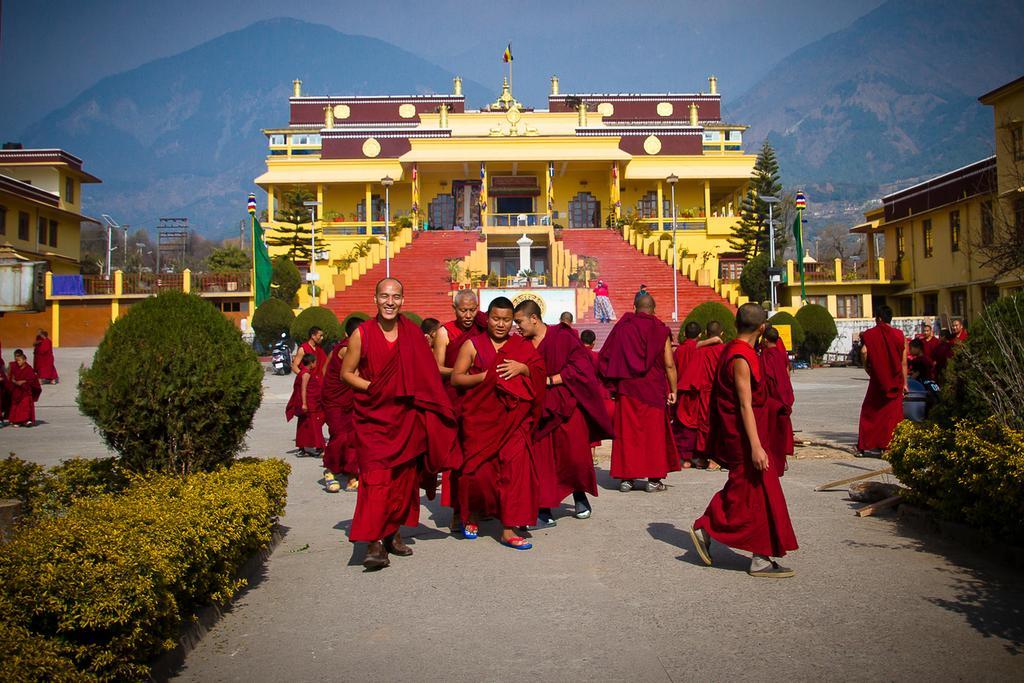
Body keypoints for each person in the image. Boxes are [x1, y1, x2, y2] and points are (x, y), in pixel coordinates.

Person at [342, 278, 460, 570]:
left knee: (402, 482)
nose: (390, 302)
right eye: (384, 296)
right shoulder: (362, 334)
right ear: (375, 299)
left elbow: (426, 375)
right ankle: (372, 543)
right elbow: (347, 373)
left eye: (395, 296)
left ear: (403, 300)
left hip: (406, 419)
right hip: (374, 420)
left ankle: (392, 533)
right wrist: (372, 389)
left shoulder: (413, 336)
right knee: (376, 480)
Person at [689, 303, 798, 578]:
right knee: (747, 489)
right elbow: (744, 405)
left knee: (754, 492)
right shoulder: (740, 357)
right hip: (745, 435)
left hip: (750, 432)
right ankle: (708, 526)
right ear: (762, 329)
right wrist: (757, 447)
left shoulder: (737, 350)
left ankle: (758, 555)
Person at [451, 297, 546, 549]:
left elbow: (539, 372)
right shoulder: (473, 344)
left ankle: (508, 527)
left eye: (506, 320)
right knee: (479, 474)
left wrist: (523, 369)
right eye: (496, 318)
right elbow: (457, 379)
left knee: (515, 472)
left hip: (514, 422)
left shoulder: (521, 346)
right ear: (488, 317)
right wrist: (486, 376)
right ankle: (472, 513)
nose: (501, 324)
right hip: (481, 420)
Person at [514, 300, 613, 526]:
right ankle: (544, 505)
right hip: (538, 408)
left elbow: (580, 369)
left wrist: (549, 380)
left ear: (534, 318)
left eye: (519, 321)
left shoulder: (563, 337)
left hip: (567, 404)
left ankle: (579, 495)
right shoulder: (522, 344)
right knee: (542, 459)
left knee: (575, 456)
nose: (516, 326)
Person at [599, 294, 679, 492]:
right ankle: (653, 480)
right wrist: (674, 390)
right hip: (652, 390)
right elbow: (669, 364)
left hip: (627, 390)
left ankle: (627, 479)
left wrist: (612, 385)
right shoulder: (660, 330)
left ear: (634, 307)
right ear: (654, 308)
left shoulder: (623, 327)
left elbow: (606, 356)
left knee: (629, 434)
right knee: (654, 436)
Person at [433, 289, 488, 523]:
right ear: (454, 309)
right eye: (463, 310)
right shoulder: (445, 332)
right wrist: (463, 372)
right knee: (458, 456)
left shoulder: (483, 328)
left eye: (472, 310)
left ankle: (482, 504)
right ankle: (458, 509)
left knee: (481, 453)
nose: (468, 315)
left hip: (480, 397)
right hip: (456, 397)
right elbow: (436, 367)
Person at [857, 305, 907, 456]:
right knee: (892, 416)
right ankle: (889, 446)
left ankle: (866, 445)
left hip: (878, 380)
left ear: (878, 318)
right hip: (896, 380)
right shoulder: (899, 335)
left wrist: (867, 368)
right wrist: (905, 383)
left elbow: (864, 351)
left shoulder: (870, 334)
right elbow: (903, 361)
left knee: (870, 413)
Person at [321, 316, 364, 493]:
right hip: (337, 401)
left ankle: (352, 477)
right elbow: (356, 374)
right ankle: (330, 470)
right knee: (340, 437)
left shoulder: (345, 348)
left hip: (349, 398)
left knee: (353, 437)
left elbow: (324, 369)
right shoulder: (346, 349)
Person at [761, 326, 795, 473]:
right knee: (783, 427)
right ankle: (783, 458)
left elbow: (766, 378)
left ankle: (777, 459)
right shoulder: (780, 354)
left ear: (765, 339)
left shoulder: (766, 356)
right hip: (784, 395)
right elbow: (786, 373)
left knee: (772, 431)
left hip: (772, 398)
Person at [691, 321, 726, 468]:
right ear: (722, 334)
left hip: (705, 393)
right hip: (722, 392)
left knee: (705, 424)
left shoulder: (700, 351)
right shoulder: (725, 350)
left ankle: (703, 457)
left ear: (705, 333)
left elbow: (687, 348)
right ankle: (718, 458)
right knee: (722, 424)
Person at [673, 322, 703, 467]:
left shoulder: (679, 351)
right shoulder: (700, 350)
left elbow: (673, 369)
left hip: (680, 391)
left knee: (681, 425)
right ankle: (692, 456)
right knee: (694, 424)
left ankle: (682, 456)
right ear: (700, 335)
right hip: (695, 392)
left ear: (684, 334)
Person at [285, 353, 325, 456]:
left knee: (304, 426)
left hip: (310, 403)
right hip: (310, 404)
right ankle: (319, 447)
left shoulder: (302, 373)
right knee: (315, 426)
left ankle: (303, 448)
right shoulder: (306, 374)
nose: (316, 364)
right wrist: (304, 403)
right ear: (311, 363)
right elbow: (303, 389)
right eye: (315, 362)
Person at [7, 350, 41, 427]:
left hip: (26, 391)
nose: (18, 362)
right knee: (17, 406)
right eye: (17, 360)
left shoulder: (29, 368)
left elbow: (33, 380)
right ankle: (17, 421)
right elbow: (10, 378)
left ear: (24, 360)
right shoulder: (14, 367)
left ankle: (26, 420)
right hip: (17, 391)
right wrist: (15, 382)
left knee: (26, 405)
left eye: (19, 360)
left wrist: (24, 381)